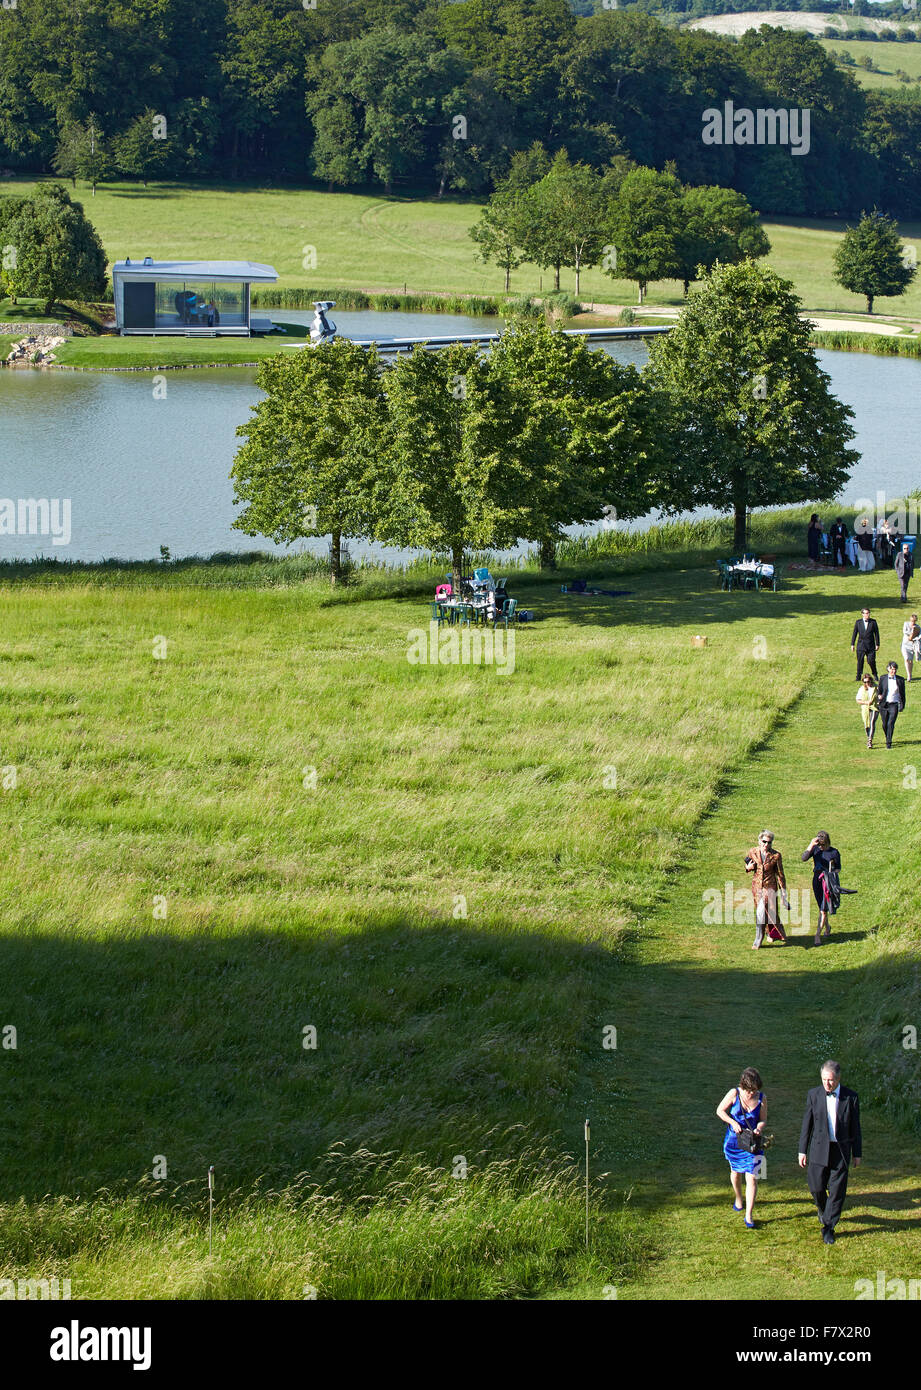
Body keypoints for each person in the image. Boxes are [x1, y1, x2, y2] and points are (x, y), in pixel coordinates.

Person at [798, 1061, 862, 1245]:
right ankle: (823, 1209)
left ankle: (828, 1227)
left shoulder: (851, 1097)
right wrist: (802, 1150)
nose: (827, 1084)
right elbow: (807, 1124)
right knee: (816, 1187)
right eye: (824, 1080)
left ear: (839, 1079)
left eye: (831, 1080)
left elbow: (855, 1128)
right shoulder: (813, 1095)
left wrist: (857, 1153)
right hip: (819, 1148)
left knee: (837, 1191)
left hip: (840, 1151)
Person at [717, 1067, 768, 1229]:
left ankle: (749, 1215)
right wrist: (732, 1122)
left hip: (753, 1143)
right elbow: (719, 1111)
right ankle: (739, 1198)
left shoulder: (762, 1098)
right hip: (734, 1141)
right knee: (735, 1173)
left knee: (753, 1177)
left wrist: (759, 1128)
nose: (752, 1094)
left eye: (755, 1091)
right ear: (743, 1086)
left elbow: (763, 1119)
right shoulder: (734, 1093)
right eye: (749, 1091)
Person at [744, 830, 788, 949]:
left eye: (769, 842)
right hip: (757, 887)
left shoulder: (776, 855)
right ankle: (769, 934)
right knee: (763, 912)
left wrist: (784, 892)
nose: (766, 845)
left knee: (765, 912)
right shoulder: (753, 852)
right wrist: (748, 868)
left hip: (770, 888)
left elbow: (780, 875)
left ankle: (758, 939)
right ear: (759, 841)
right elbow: (747, 862)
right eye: (764, 842)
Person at [802, 831, 842, 945]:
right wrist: (811, 845)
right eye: (819, 845)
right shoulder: (816, 849)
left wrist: (830, 872)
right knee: (821, 907)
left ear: (828, 842)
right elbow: (804, 858)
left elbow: (838, 868)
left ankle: (817, 936)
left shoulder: (834, 852)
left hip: (828, 882)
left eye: (823, 845)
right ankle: (827, 927)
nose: (821, 847)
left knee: (823, 910)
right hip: (817, 881)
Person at [878, 660, 906, 748]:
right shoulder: (883, 678)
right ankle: (888, 737)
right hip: (884, 704)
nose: (893, 671)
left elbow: (902, 694)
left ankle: (888, 742)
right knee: (884, 724)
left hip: (894, 704)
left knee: (890, 723)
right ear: (888, 669)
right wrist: (879, 696)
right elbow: (880, 690)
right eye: (892, 669)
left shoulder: (900, 680)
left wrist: (902, 705)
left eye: (895, 669)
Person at [850, 607, 879, 681]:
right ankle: (858, 676)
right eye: (865, 613)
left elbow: (876, 633)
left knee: (871, 661)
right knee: (860, 661)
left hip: (870, 645)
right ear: (862, 614)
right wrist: (852, 644)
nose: (867, 615)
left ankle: (875, 674)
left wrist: (877, 644)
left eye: (868, 613)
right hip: (861, 645)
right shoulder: (858, 622)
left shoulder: (873, 622)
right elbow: (855, 633)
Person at [855, 675, 879, 750]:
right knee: (867, 724)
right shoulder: (862, 689)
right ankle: (869, 736)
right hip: (865, 708)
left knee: (872, 722)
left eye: (868, 681)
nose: (867, 683)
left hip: (874, 707)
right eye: (865, 682)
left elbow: (881, 696)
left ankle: (870, 740)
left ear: (871, 681)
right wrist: (865, 702)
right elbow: (858, 700)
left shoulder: (876, 687)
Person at [901, 613, 920, 682]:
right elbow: (905, 632)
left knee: (911, 661)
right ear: (910, 620)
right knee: (906, 659)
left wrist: (914, 636)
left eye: (914, 621)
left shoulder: (917, 627)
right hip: (905, 645)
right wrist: (912, 634)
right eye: (912, 621)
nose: (913, 622)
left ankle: (910, 674)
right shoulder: (906, 624)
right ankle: (908, 675)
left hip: (912, 645)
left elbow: (918, 636)